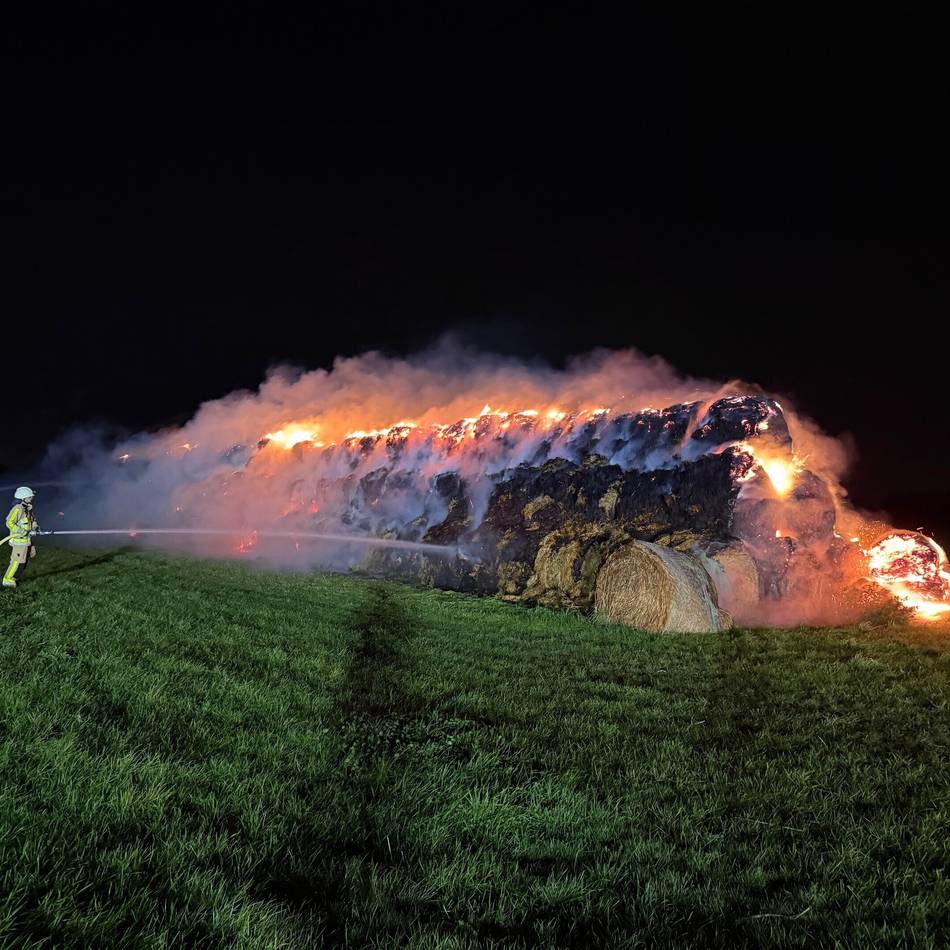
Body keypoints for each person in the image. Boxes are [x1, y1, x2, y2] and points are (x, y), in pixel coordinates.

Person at [3, 487, 40, 589]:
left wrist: (35, 527)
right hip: (19, 541)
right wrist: (19, 530)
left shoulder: (28, 509)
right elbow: (9, 522)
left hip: (27, 541)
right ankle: (7, 579)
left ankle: (15, 578)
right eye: (30, 496)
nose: (32, 497)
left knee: (24, 560)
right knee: (16, 561)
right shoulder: (17, 509)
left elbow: (32, 521)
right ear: (24, 497)